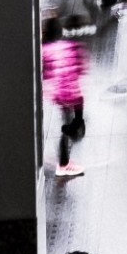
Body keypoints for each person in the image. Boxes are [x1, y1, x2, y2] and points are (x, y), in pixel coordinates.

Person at [40, 18, 86, 177]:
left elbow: (45, 73)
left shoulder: (44, 49)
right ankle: (64, 164)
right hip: (69, 92)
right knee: (67, 125)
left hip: (57, 93)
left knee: (66, 120)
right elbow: (80, 69)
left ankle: (72, 128)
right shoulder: (70, 46)